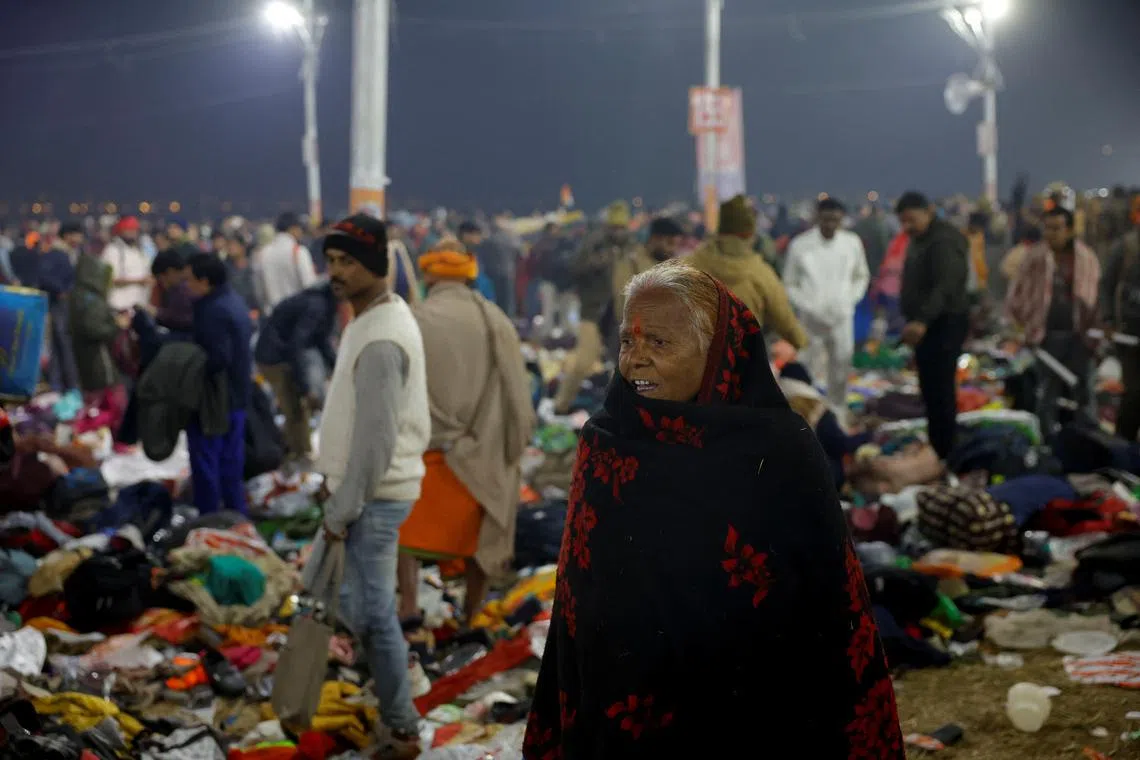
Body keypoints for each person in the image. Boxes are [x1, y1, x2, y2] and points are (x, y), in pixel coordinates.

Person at [523, 261, 903, 759]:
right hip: (631, 711)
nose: (635, 360)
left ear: (719, 352)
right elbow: (580, 602)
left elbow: (829, 604)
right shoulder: (606, 445)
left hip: (752, 708)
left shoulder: (780, 448)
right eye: (627, 342)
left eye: (658, 343)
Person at [303, 213, 429, 759]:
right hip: (362, 497)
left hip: (372, 501)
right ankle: (397, 699)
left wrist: (342, 509)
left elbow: (375, 445)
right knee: (361, 608)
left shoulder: (382, 336)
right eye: (331, 261)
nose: (336, 272)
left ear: (374, 266)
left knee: (372, 614)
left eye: (347, 263)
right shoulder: (371, 318)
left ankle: (402, 727)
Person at [398, 238, 536, 623]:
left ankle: (408, 604)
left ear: (428, 275)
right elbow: (518, 401)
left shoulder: (413, 319)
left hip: (425, 460)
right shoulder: (497, 322)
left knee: (402, 529)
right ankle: (471, 614)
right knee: (480, 539)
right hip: (481, 463)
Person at [1005, 207, 1101, 435]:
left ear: (1068, 230)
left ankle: (1089, 439)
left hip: (1080, 335)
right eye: (1047, 228)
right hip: (1045, 335)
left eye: (1057, 228)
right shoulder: (1035, 257)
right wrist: (1020, 326)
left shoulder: (1086, 258)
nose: (1051, 234)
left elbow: (1095, 296)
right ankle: (1048, 442)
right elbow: (1016, 293)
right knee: (1047, 391)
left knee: (1084, 390)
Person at [896, 191, 970, 461]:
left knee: (940, 391)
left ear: (928, 211)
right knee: (929, 389)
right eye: (903, 222)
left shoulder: (944, 239)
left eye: (911, 220)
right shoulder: (921, 238)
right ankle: (937, 447)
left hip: (943, 324)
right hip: (927, 326)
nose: (907, 227)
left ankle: (946, 452)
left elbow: (946, 286)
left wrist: (922, 321)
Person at [686, 195, 808, 350]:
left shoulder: (690, 265)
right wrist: (801, 341)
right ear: (750, 234)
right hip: (743, 356)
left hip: (699, 354)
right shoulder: (760, 272)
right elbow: (783, 317)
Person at [783, 197, 870, 415]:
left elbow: (861, 276)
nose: (830, 224)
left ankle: (837, 415)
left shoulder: (851, 242)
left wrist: (850, 299)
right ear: (817, 218)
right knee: (809, 369)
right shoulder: (801, 245)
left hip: (842, 318)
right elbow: (789, 283)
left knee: (841, 368)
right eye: (826, 219)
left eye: (835, 220)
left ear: (842, 220)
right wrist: (808, 305)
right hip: (811, 320)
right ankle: (809, 416)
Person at [552, 202, 637, 414]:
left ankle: (616, 412)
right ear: (608, 226)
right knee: (583, 361)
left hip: (621, 314)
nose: (618, 231)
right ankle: (560, 406)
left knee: (621, 366)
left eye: (622, 227)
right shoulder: (594, 242)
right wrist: (598, 261)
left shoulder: (632, 247)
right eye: (614, 227)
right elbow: (575, 268)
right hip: (593, 311)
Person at [185, 253, 253, 514]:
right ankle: (237, 518)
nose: (187, 286)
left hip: (216, 400)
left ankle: (210, 517)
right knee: (231, 464)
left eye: (191, 280)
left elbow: (217, 358)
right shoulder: (233, 300)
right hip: (237, 395)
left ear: (205, 281)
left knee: (207, 462)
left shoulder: (212, 310)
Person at [254, 282, 339, 462]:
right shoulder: (317, 307)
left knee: (297, 409)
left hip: (278, 354)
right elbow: (297, 345)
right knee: (294, 409)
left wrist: (337, 366)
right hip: (273, 358)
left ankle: (302, 452)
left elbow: (321, 340)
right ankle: (296, 456)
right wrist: (305, 386)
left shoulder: (322, 303)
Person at [68, 252, 127, 418]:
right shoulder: (91, 300)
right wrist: (116, 326)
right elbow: (94, 329)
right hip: (99, 357)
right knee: (109, 399)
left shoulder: (78, 295)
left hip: (84, 355)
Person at [1100, 201, 1140, 440]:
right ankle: (1123, 448)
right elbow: (1106, 285)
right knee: (1134, 393)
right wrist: (1108, 319)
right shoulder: (1126, 247)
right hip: (1130, 332)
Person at [611, 216, 683, 319]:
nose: (673, 249)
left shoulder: (674, 266)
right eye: (670, 243)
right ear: (655, 239)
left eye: (676, 245)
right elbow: (622, 307)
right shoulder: (630, 264)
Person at [43, 222, 82, 393]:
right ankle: (69, 384)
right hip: (60, 304)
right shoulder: (56, 254)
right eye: (77, 234)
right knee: (63, 344)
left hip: (67, 304)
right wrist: (61, 291)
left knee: (61, 344)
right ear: (67, 235)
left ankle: (58, 384)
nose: (80, 238)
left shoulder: (72, 253)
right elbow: (44, 277)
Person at [255, 212, 318, 314]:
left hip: (272, 315)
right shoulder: (298, 251)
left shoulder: (263, 254)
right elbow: (309, 286)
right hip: (297, 315)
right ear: (293, 228)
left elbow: (259, 292)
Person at [103, 217, 152, 314]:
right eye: (129, 230)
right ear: (120, 231)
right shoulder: (112, 251)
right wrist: (139, 281)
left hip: (139, 306)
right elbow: (111, 279)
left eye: (134, 230)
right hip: (119, 307)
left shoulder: (138, 251)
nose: (132, 233)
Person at [150, 250, 194, 333]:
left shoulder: (186, 288)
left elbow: (183, 319)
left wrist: (157, 313)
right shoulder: (178, 287)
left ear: (170, 272)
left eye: (161, 279)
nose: (163, 284)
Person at [223, 233, 260, 316]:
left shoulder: (252, 266)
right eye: (228, 245)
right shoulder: (224, 268)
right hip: (232, 311)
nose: (230, 248)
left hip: (252, 311)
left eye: (234, 245)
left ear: (242, 247)